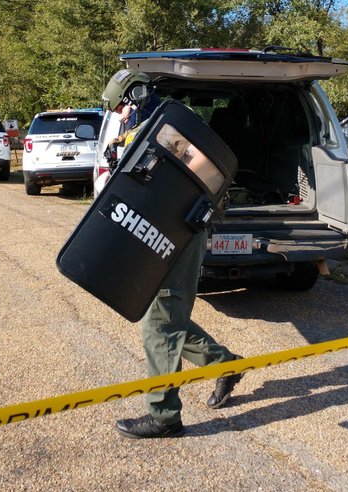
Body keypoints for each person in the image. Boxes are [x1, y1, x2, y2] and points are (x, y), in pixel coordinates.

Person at [101, 69, 244, 439]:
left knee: (160, 321)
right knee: (164, 315)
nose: (118, 114)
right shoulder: (148, 125)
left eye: (119, 106)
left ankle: (164, 416)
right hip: (157, 231)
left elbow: (198, 170)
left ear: (133, 95)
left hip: (178, 234)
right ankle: (225, 365)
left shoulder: (170, 125)